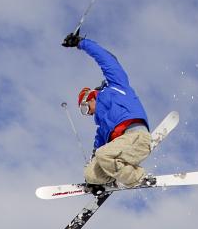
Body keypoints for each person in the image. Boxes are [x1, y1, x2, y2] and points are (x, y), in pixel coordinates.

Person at [62, 31, 151, 189]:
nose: (87, 113)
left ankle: (137, 177)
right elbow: (97, 147)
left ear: (91, 97)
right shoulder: (102, 126)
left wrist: (81, 43)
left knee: (104, 154)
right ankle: (114, 177)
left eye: (84, 108)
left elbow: (108, 60)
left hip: (136, 137)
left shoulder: (116, 86)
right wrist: (93, 174)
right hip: (118, 149)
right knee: (90, 173)